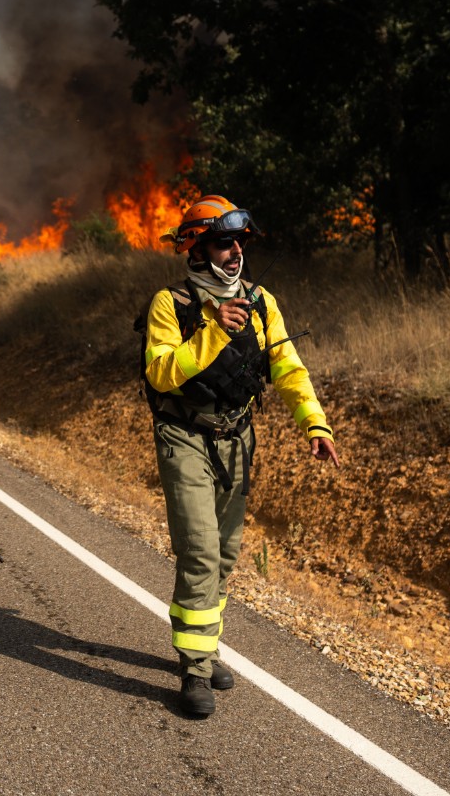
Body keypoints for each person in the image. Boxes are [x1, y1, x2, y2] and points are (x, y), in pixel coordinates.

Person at [143, 195, 340, 717]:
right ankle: (194, 668)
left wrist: (313, 422)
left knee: (226, 553)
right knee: (201, 550)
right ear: (197, 248)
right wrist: (214, 332)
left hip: (237, 439)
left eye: (239, 243)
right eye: (223, 243)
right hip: (184, 436)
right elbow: (161, 373)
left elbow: (287, 366)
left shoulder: (261, 300)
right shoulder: (171, 303)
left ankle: (205, 643)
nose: (234, 253)